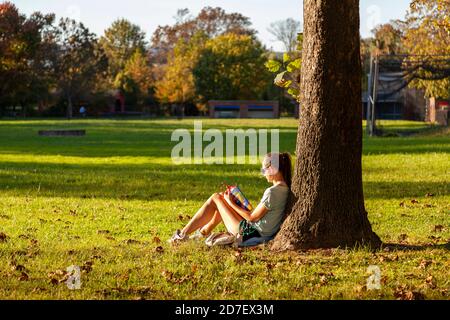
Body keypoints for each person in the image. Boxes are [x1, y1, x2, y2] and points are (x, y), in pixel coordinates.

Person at [169, 152, 292, 245]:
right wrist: (236, 204)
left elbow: (251, 217)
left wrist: (231, 202)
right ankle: (199, 235)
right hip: (257, 231)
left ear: (272, 169)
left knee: (216, 198)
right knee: (221, 200)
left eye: (263, 170)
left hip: (250, 234)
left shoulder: (272, 192)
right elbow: (258, 216)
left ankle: (181, 235)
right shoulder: (285, 189)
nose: (264, 174)